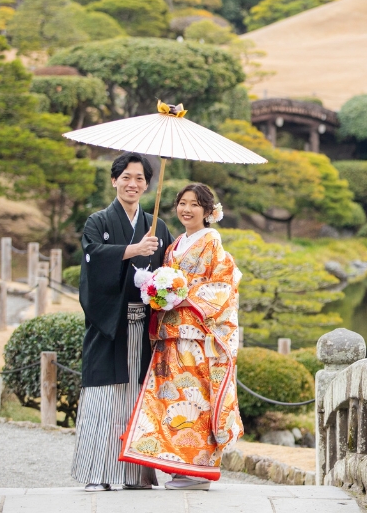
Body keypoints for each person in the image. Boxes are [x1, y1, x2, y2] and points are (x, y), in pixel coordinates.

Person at [119, 183, 243, 490]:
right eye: (182, 203)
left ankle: (197, 471)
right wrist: (155, 289)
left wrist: (182, 293)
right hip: (171, 335)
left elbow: (223, 288)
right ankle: (178, 467)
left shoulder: (212, 243)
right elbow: (167, 284)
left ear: (208, 211)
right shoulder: (175, 245)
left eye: (195, 204)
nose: (186, 209)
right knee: (172, 401)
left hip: (198, 340)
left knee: (196, 401)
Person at [71, 153, 174, 491]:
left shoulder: (157, 225)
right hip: (108, 324)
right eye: (126, 178)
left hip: (144, 327)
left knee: (136, 397)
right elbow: (93, 259)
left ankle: (134, 474)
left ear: (148, 184)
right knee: (104, 396)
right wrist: (134, 248)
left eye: (140, 179)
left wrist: (162, 294)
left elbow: (169, 274)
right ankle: (96, 474)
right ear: (114, 180)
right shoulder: (97, 222)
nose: (133, 184)